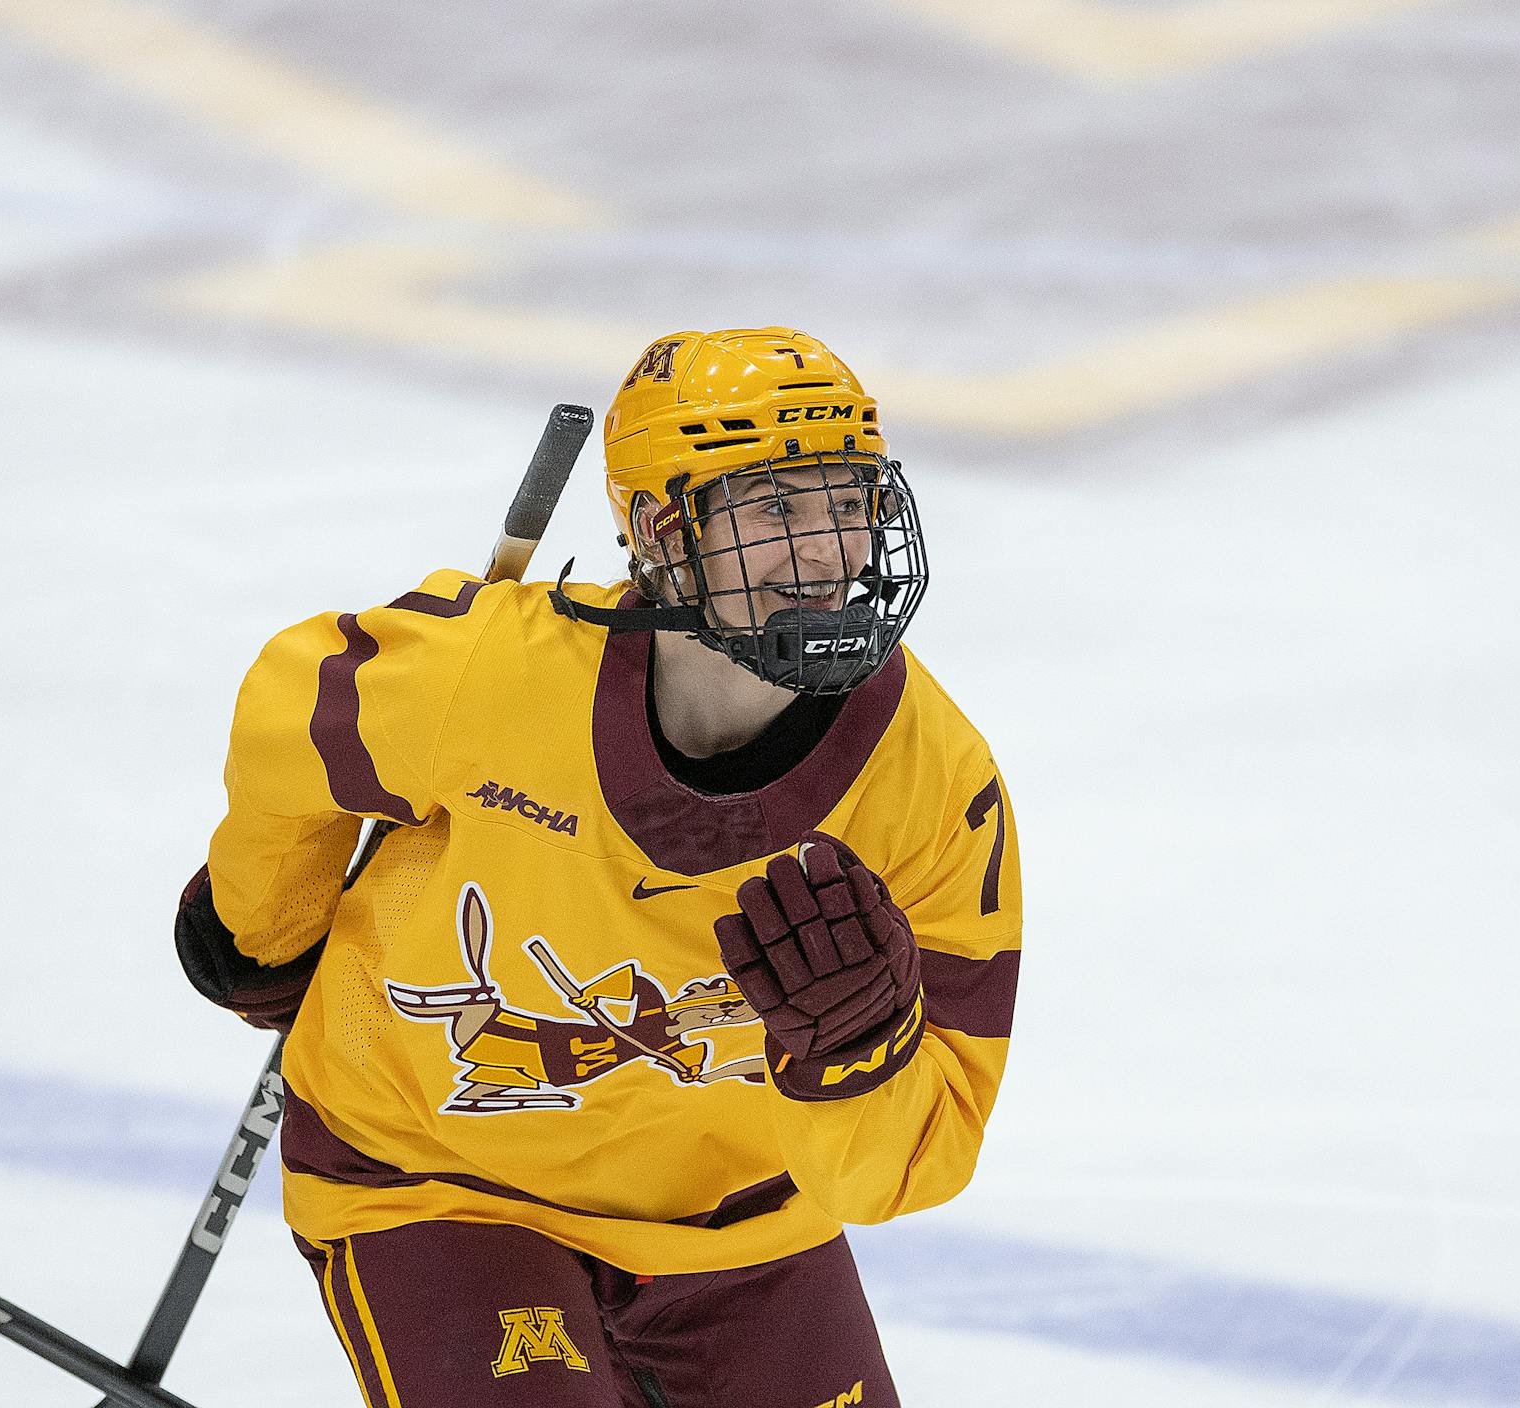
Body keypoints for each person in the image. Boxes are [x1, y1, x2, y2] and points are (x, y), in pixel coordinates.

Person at [177, 327, 1023, 1407]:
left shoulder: (935, 781)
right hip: (437, 1180)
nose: (826, 550)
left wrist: (859, 1053)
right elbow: (288, 716)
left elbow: (919, 1164)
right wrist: (265, 923)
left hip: (738, 1211)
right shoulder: (484, 677)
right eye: (774, 509)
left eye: (846, 502)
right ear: (663, 532)